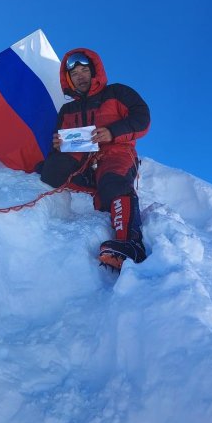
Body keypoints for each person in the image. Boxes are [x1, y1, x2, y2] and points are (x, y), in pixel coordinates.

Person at [39, 48, 151, 270]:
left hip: (116, 152)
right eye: (75, 74)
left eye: (84, 70)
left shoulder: (117, 92)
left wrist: (113, 131)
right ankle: (98, 195)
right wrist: (59, 145)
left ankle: (131, 244)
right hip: (84, 162)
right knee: (49, 170)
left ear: (94, 71)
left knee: (113, 180)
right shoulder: (67, 110)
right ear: (68, 79)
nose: (80, 76)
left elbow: (142, 118)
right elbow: (62, 144)